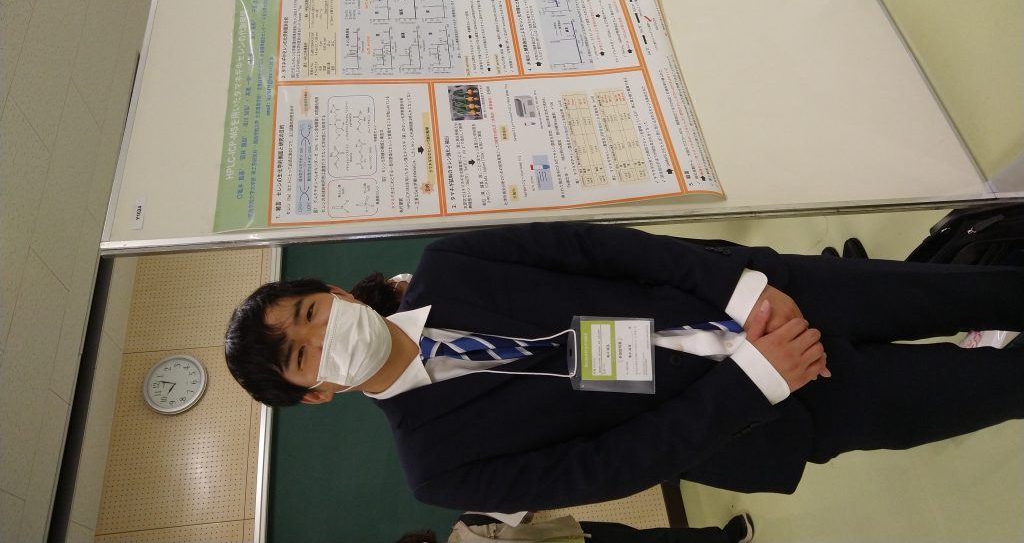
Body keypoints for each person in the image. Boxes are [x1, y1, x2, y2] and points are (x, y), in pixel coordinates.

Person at [224, 222, 1024, 512]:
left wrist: (742, 292)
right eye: (302, 354)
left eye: (311, 312)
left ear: (333, 292)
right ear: (316, 394)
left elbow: (599, 249)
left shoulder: (450, 264)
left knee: (983, 291)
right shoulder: (439, 468)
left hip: (772, 299)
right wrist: (756, 378)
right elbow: (612, 466)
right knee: (992, 387)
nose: (324, 333)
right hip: (776, 409)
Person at [397, 511, 755, 543]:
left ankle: (722, 538)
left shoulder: (469, 525)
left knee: (651, 540)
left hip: (578, 539)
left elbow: (524, 510)